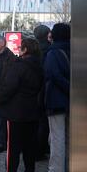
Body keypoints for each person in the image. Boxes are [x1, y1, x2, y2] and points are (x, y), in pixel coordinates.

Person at [0, 38, 44, 172]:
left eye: (20, 47)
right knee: (30, 145)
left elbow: (8, 87)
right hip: (33, 111)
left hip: (16, 112)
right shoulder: (40, 66)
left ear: (24, 50)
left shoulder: (19, 66)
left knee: (13, 147)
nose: (18, 49)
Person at [43, 23, 71, 172]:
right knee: (71, 136)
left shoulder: (52, 52)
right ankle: (70, 167)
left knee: (57, 136)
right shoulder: (78, 49)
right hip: (74, 101)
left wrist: (69, 88)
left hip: (56, 100)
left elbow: (53, 75)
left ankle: (56, 170)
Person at [34, 25, 51, 161]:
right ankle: (40, 150)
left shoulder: (32, 50)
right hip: (45, 91)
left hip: (33, 92)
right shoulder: (49, 50)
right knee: (43, 123)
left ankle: (37, 149)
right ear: (47, 34)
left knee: (36, 123)